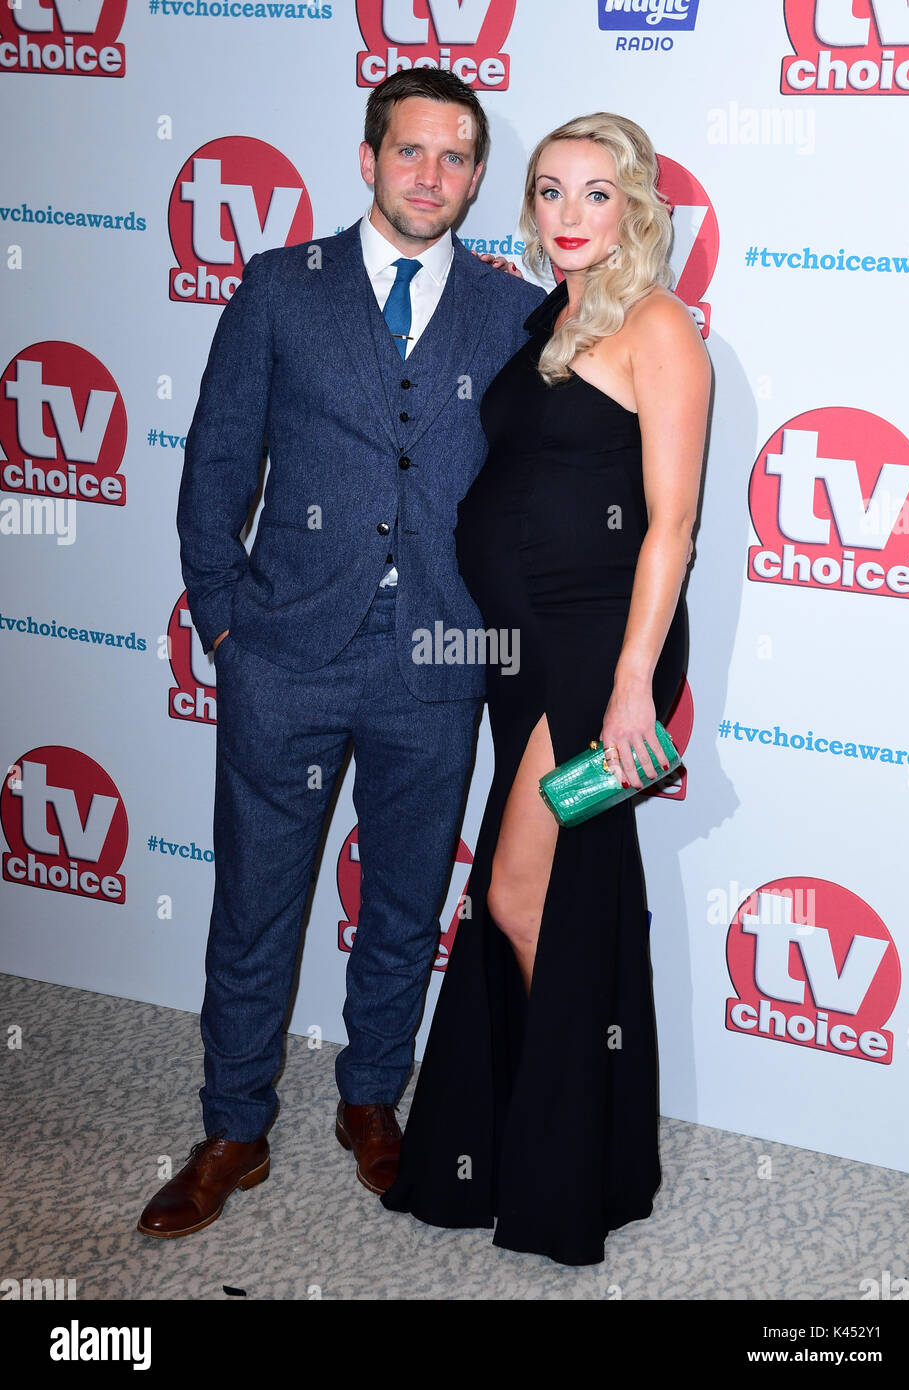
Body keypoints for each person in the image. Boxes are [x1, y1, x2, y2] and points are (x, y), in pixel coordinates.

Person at [137, 68, 545, 1239]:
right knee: (256, 902)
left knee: (407, 899)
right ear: (367, 158)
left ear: (475, 176)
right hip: (286, 656)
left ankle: (372, 1099)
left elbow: (530, 486)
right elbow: (216, 466)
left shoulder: (509, 305)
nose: (431, 176)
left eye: (456, 158)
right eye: (411, 152)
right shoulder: (279, 289)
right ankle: (232, 1128)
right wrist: (224, 622)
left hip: (436, 660)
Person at [380, 113, 711, 1266]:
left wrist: (632, 696)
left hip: (592, 663)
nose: (568, 216)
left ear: (634, 209)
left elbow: (668, 527)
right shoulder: (547, 320)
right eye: (549, 192)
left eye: (594, 195)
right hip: (519, 658)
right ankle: (560, 1143)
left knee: (521, 896)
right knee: (561, 895)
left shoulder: (659, 329)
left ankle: (561, 1148)